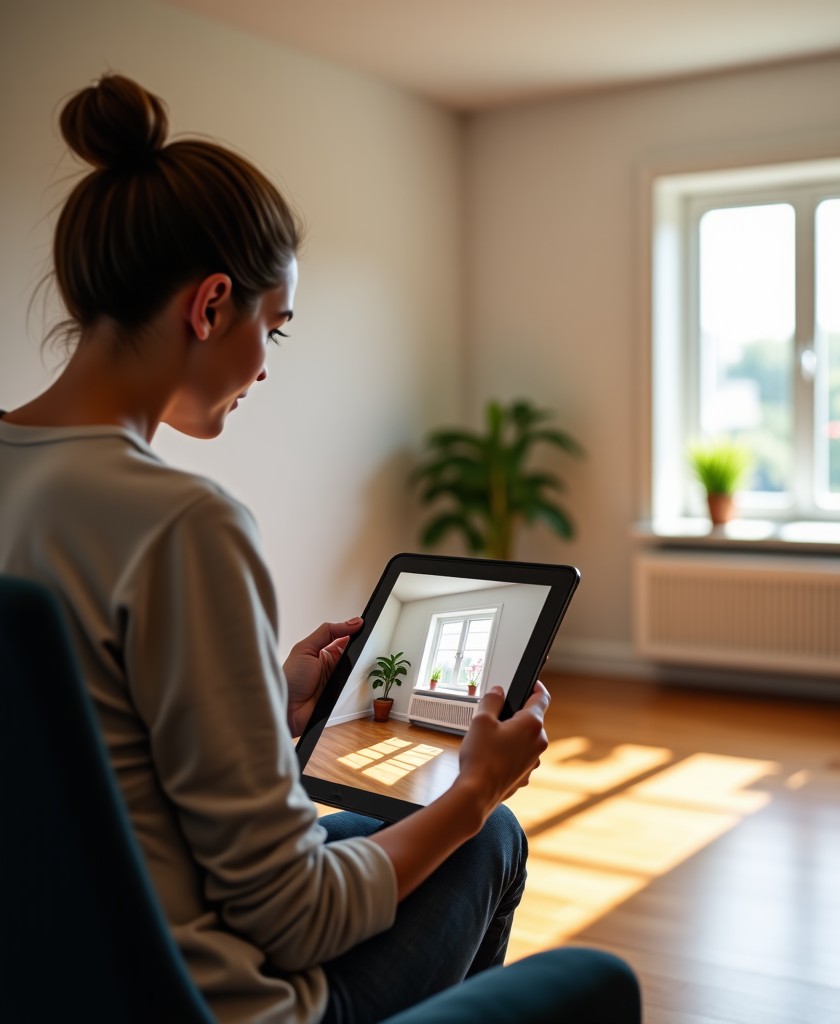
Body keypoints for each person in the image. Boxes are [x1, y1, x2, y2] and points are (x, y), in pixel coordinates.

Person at [0, 75, 640, 1023]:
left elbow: (90, 759)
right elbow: (293, 922)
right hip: (218, 1003)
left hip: (50, 974)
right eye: (276, 328)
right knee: (490, 839)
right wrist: (473, 789)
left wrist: (269, 702)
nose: (264, 363)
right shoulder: (182, 525)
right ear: (211, 305)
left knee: (378, 827)